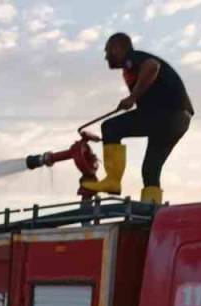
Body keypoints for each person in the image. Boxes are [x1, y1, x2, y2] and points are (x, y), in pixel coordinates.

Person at [81, 33, 194, 204]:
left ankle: (113, 180)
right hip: (180, 120)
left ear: (118, 47)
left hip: (168, 113)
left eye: (108, 51)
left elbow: (152, 66)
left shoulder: (133, 59)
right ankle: (151, 210)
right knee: (150, 169)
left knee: (111, 127)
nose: (106, 57)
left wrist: (132, 97)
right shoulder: (131, 67)